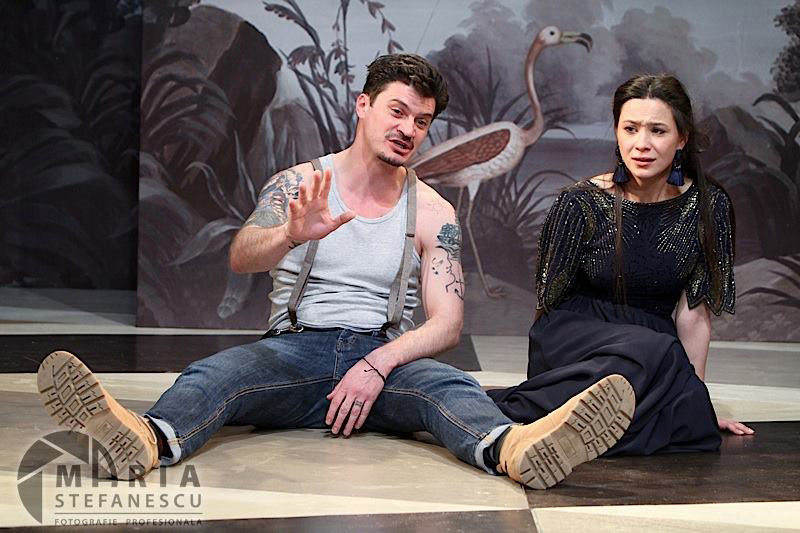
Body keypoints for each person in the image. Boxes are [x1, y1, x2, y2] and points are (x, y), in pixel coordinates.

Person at [36, 54, 635, 489]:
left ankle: (516, 449)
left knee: (450, 389)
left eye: (422, 121)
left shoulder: (433, 211)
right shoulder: (298, 184)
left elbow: (447, 322)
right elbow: (241, 255)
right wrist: (290, 234)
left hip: (382, 354)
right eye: (397, 111)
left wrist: (377, 364)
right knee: (215, 376)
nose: (407, 129)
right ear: (363, 105)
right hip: (293, 351)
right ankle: (143, 439)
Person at [488, 74, 754, 455]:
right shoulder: (579, 203)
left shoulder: (708, 207)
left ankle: (570, 431)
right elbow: (547, 311)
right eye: (630, 129)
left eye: (657, 131)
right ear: (616, 132)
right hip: (578, 335)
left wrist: (696, 398)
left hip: (653, 346)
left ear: (682, 138)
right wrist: (546, 380)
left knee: (690, 421)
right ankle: (551, 415)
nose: (641, 144)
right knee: (655, 358)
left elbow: (693, 316)